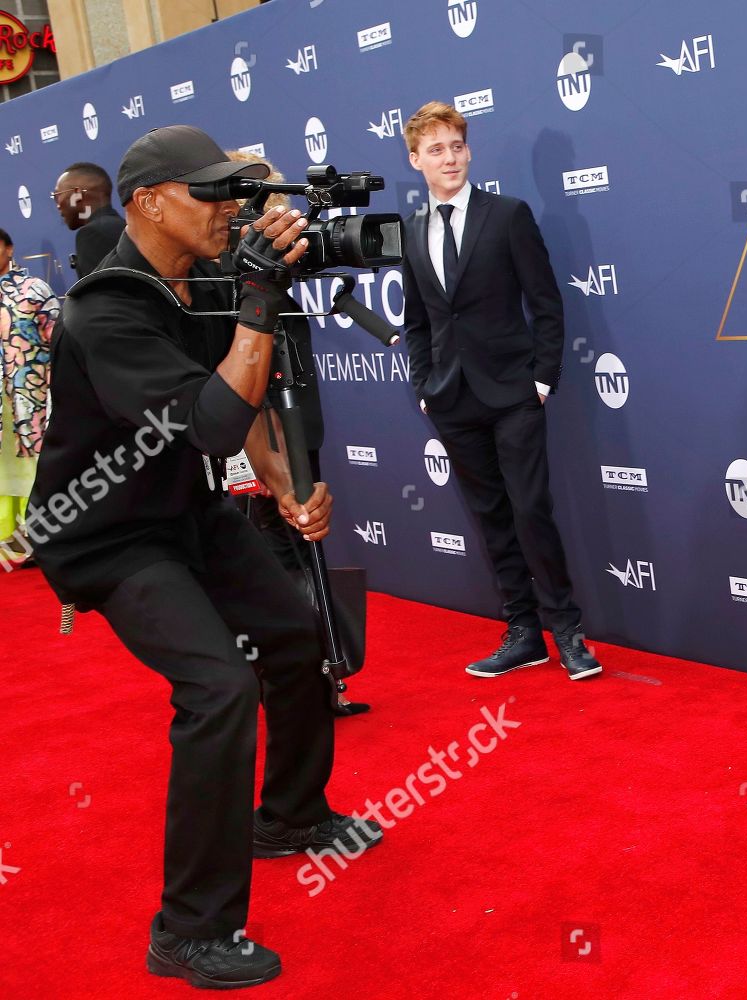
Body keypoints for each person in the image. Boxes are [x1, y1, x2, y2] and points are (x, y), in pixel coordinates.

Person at [25, 125, 382, 990]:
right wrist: (259, 299)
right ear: (148, 202)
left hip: (190, 509)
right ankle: (186, 930)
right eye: (210, 192)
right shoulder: (104, 309)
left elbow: (246, 410)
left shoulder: (210, 278)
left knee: (297, 642)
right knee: (220, 687)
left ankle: (289, 816)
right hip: (107, 536)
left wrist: (287, 486)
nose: (230, 208)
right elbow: (210, 421)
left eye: (234, 190)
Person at [400, 100, 602, 681]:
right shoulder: (412, 232)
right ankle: (524, 632)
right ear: (416, 160)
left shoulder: (507, 215)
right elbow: (419, 321)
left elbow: (546, 303)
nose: (450, 158)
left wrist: (542, 379)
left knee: (530, 510)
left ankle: (566, 630)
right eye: (436, 149)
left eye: (457, 146)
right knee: (490, 517)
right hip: (451, 399)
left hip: (514, 392)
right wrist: (424, 384)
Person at [222, 150, 370, 717]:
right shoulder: (227, 270)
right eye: (255, 194)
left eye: (273, 193)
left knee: (303, 546)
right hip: (251, 427)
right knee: (263, 551)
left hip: (296, 416)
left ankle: (320, 676)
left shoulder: (281, 257)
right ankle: (283, 677)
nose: (272, 204)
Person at [0, 228, 59, 567]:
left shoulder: (34, 290)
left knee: (36, 468)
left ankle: (39, 539)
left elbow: (59, 342)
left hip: (34, 397)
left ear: (9, 248)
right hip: (4, 404)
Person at [52, 161, 127, 278]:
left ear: (77, 195)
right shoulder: (121, 226)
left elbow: (100, 294)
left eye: (57, 196)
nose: (57, 205)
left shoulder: (92, 234)